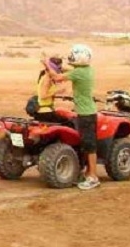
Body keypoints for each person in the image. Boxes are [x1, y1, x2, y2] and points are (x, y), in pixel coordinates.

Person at [42, 44, 98, 190]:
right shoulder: (86, 70)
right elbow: (67, 71)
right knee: (86, 144)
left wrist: (47, 64)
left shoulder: (78, 73)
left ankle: (93, 177)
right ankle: (87, 173)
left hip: (86, 113)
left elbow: (57, 78)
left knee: (89, 145)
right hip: (86, 112)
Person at [34, 56, 71, 126]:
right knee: (68, 123)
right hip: (45, 113)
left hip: (48, 110)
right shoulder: (46, 79)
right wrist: (57, 91)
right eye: (58, 68)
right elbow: (43, 95)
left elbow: (71, 71)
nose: (59, 71)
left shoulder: (49, 77)